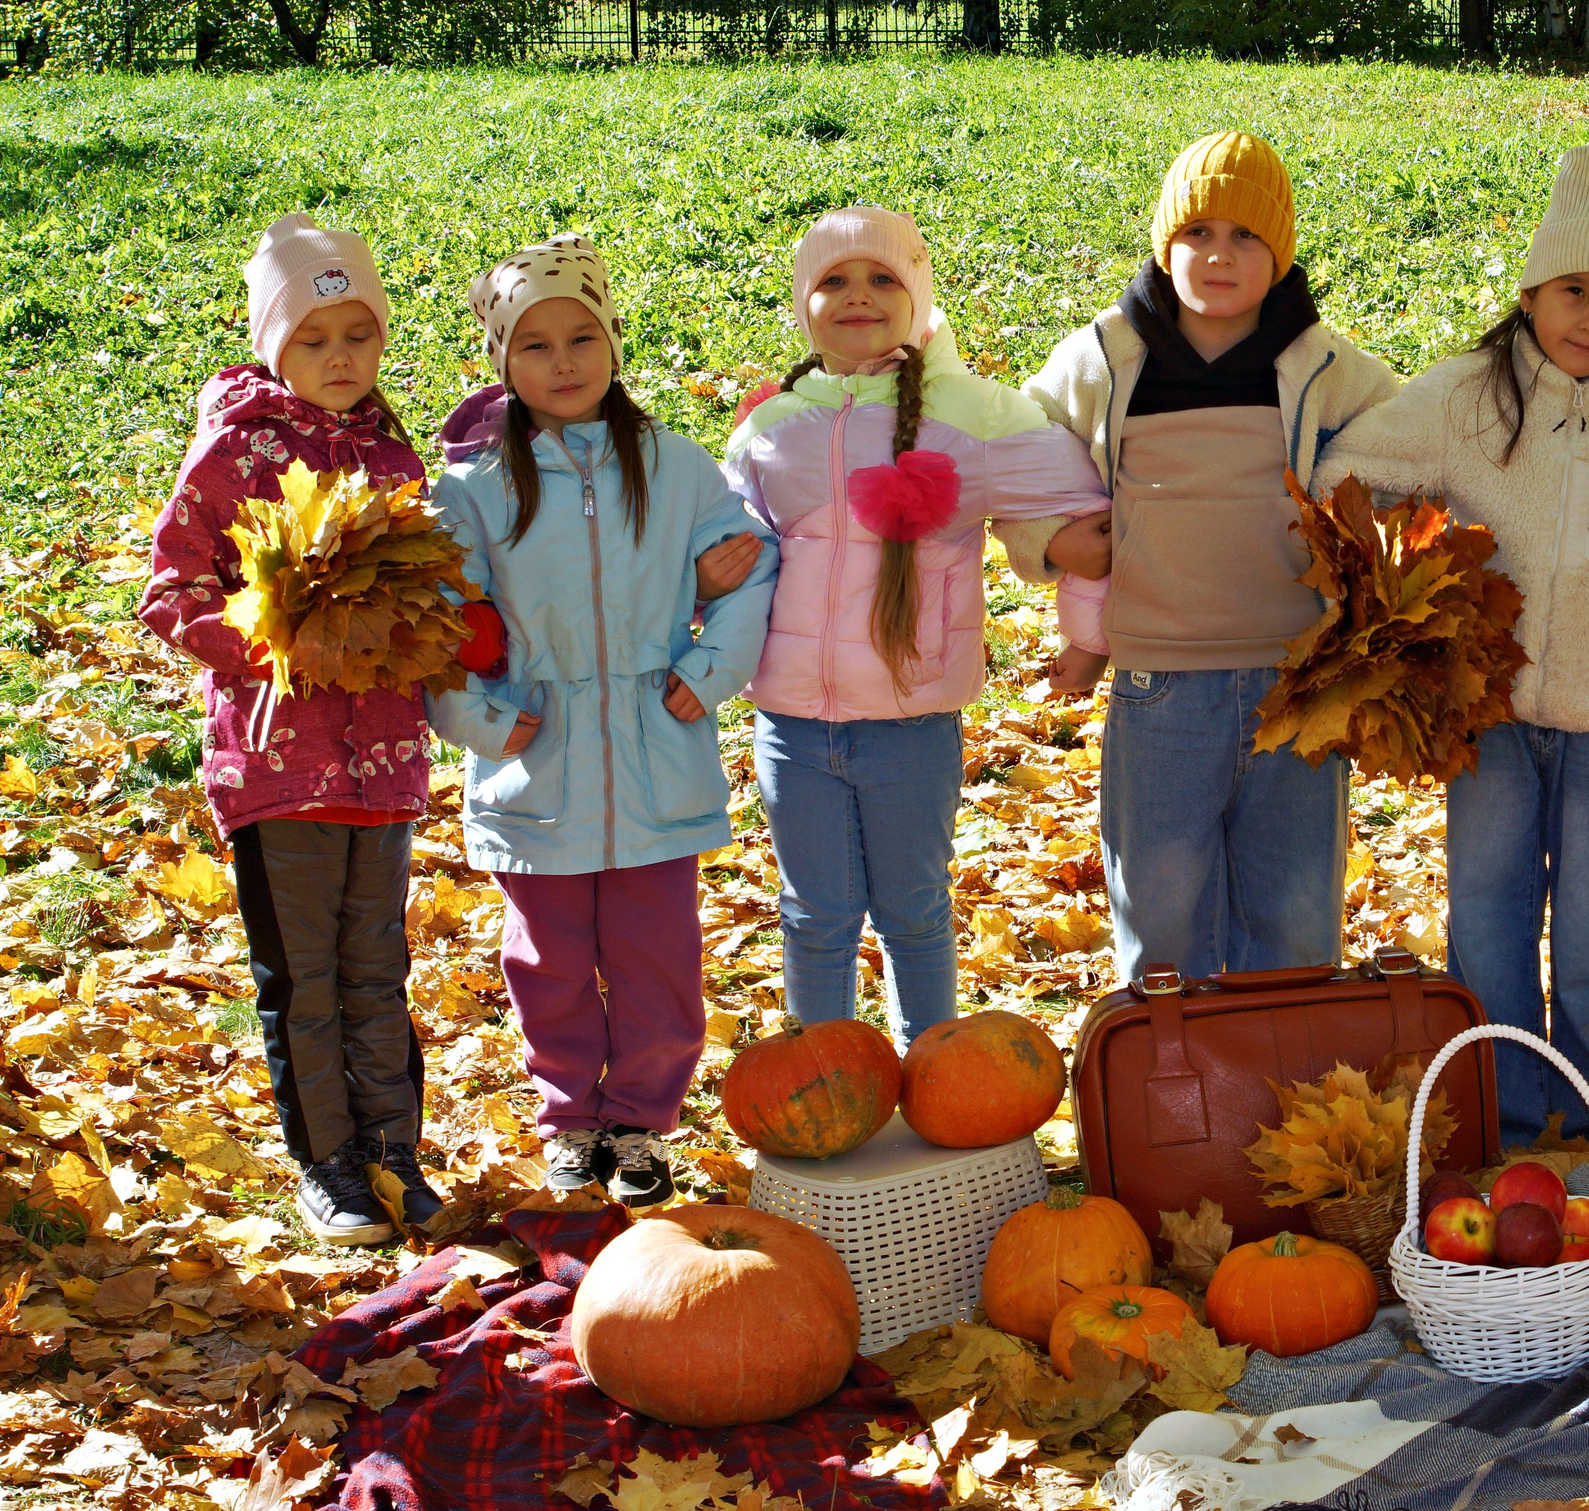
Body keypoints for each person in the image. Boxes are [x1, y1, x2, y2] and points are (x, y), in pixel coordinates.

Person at [1318, 144, 1589, 1145]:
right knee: (1487, 926)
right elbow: (1348, 476)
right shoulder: (1467, 398)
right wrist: (1409, 581)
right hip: (1488, 718)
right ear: (1532, 286)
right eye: (1573, 291)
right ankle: (1499, 1123)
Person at [427, 234, 776, 1206]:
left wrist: (706, 674)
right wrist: (483, 723)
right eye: (535, 347)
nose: (564, 362)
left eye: (582, 337)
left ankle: (641, 1121)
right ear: (500, 362)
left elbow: (750, 563)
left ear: (614, 339)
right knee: (550, 965)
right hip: (538, 763)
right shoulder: (470, 490)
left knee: (658, 959)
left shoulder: (673, 467)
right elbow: (433, 621)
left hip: (655, 754)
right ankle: (570, 1121)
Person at [720, 206, 1110, 1045]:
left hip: (910, 721)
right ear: (803, 302)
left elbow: (1085, 511)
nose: (857, 296)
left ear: (918, 292)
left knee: (915, 911)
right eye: (833, 281)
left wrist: (1088, 637)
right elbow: (724, 553)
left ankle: (935, 1072)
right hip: (791, 723)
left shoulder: (973, 415)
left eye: (882, 278)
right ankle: (827, 1081)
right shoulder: (769, 427)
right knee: (814, 913)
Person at [1023, 130, 1400, 982]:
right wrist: (1044, 541)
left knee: (1296, 918)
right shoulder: (1110, 354)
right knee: (1159, 917)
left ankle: (1288, 1097)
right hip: (1161, 684)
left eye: (1246, 237)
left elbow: (1413, 447)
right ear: (1165, 242)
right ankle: (1169, 1100)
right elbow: (1020, 445)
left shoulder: (1322, 363)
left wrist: (1366, 539)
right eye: (1197, 233)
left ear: (1282, 253)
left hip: (1296, 677)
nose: (1219, 256)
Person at [142, 213, 447, 1245]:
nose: (339, 357)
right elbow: (172, 592)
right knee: (303, 975)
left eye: (359, 334)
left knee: (376, 963)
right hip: (277, 765)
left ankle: (393, 1148)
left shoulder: (392, 446)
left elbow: (420, 594)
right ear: (277, 343)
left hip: (386, 760)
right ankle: (328, 1164)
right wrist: (271, 641)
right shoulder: (235, 448)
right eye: (314, 339)